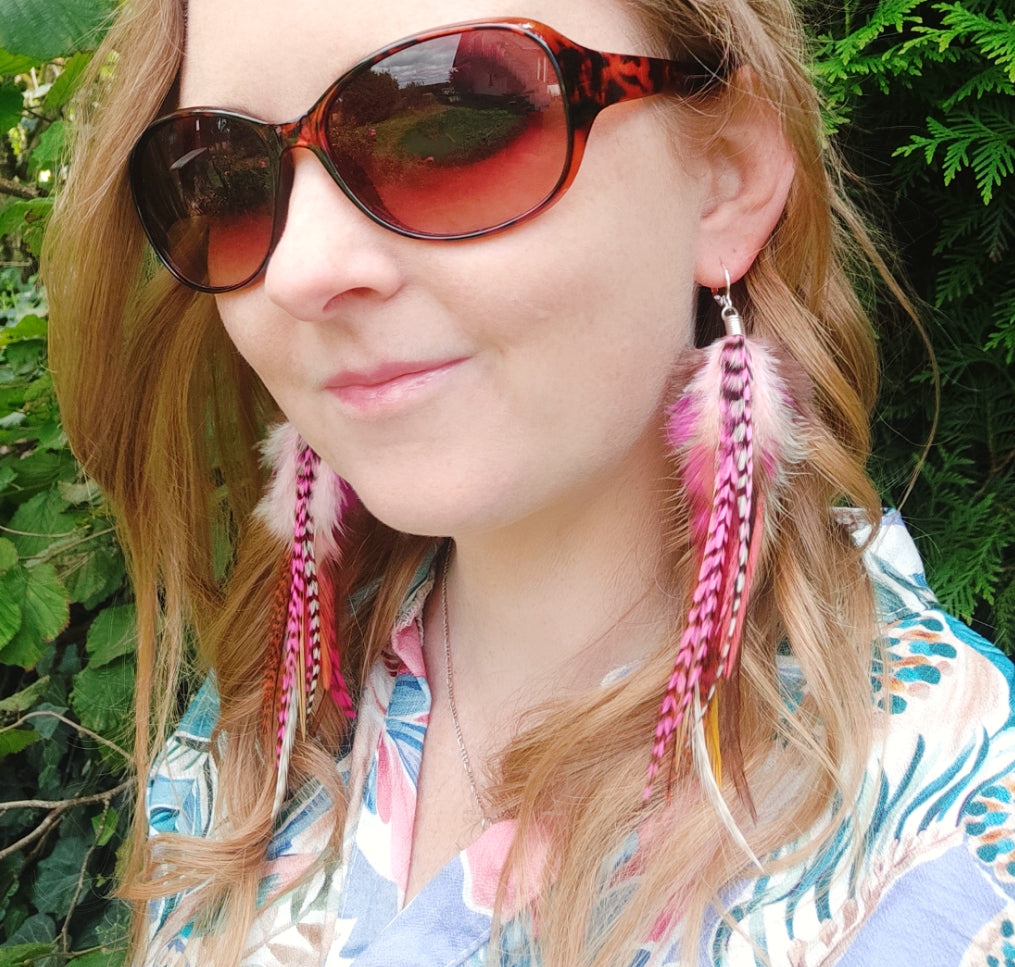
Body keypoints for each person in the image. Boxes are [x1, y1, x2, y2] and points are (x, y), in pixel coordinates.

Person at [42, 0, 1015, 964]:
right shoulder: (269, 715)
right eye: (226, 176)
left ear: (724, 179)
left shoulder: (948, 843)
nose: (301, 269)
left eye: (452, 127)